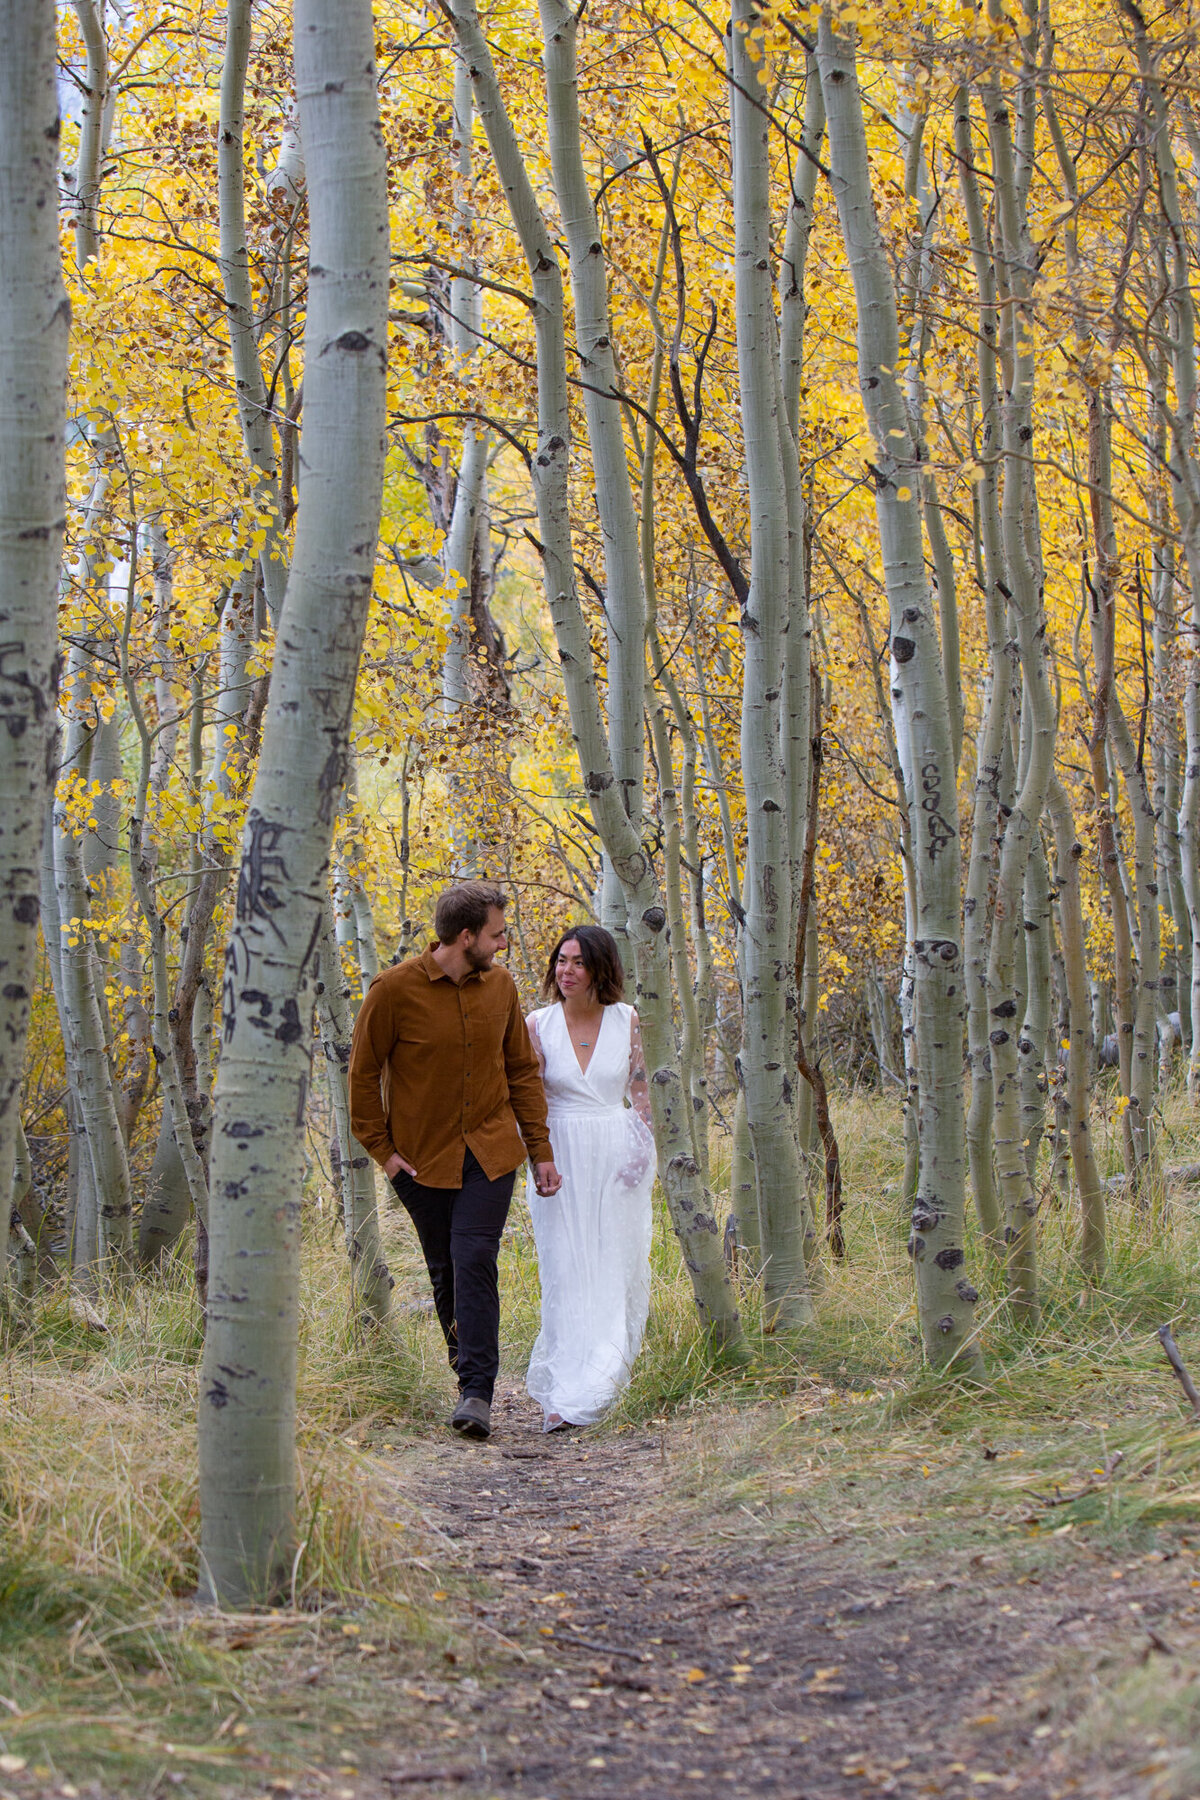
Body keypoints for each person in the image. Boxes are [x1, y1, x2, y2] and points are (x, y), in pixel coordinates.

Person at [348, 880, 561, 1442]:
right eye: (496, 934)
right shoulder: (392, 992)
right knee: (445, 1268)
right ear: (465, 937)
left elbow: (521, 1070)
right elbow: (363, 1078)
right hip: (419, 1161)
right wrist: (386, 1155)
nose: (503, 944)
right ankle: (466, 1374)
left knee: (473, 1257)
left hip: (490, 1152)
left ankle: (477, 1390)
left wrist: (539, 1150)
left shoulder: (501, 988)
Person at [524, 924, 656, 1431]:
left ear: (601, 968)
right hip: (557, 1157)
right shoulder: (538, 1023)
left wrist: (642, 1155)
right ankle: (562, 1389)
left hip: (614, 1151)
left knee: (609, 1262)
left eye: (578, 962)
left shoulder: (628, 1020)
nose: (567, 971)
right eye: (561, 960)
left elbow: (642, 1091)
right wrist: (538, 1158)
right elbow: (530, 1100)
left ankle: (602, 1378)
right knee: (563, 1266)